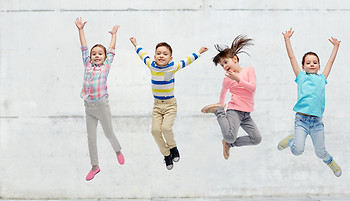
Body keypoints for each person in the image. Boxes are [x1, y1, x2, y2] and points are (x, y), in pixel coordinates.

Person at [129, 37, 208, 170]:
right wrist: (136, 44)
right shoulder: (151, 65)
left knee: (166, 128)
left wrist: (199, 52)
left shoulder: (173, 66)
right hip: (157, 106)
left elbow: (187, 61)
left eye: (165, 54)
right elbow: (142, 55)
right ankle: (166, 154)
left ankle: (173, 147)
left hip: (170, 105)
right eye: (159, 53)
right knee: (154, 131)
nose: (161, 56)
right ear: (154, 56)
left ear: (170, 58)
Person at [277, 28, 342, 177]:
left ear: (319, 66)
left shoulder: (322, 78)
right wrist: (287, 39)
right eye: (308, 62)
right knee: (298, 150)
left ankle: (330, 161)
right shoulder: (301, 77)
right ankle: (292, 140)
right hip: (301, 120)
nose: (311, 64)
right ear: (303, 66)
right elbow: (291, 57)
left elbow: (331, 62)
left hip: (317, 122)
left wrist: (336, 47)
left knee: (320, 152)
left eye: (315, 62)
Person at [74, 17, 125, 181]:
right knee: (91, 137)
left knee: (109, 133)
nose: (96, 56)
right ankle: (95, 166)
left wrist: (114, 35)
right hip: (88, 106)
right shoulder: (87, 64)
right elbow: (83, 47)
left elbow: (111, 49)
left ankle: (117, 150)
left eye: (100, 54)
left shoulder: (106, 65)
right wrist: (80, 30)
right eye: (94, 54)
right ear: (90, 57)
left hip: (102, 105)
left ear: (104, 57)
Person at [201, 35, 261, 160]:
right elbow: (223, 92)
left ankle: (229, 144)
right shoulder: (227, 79)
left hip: (246, 114)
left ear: (235, 59)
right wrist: (220, 104)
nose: (224, 66)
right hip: (234, 110)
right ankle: (219, 112)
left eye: (225, 62)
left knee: (256, 139)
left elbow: (252, 88)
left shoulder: (249, 70)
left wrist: (237, 79)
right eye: (222, 65)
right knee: (229, 135)